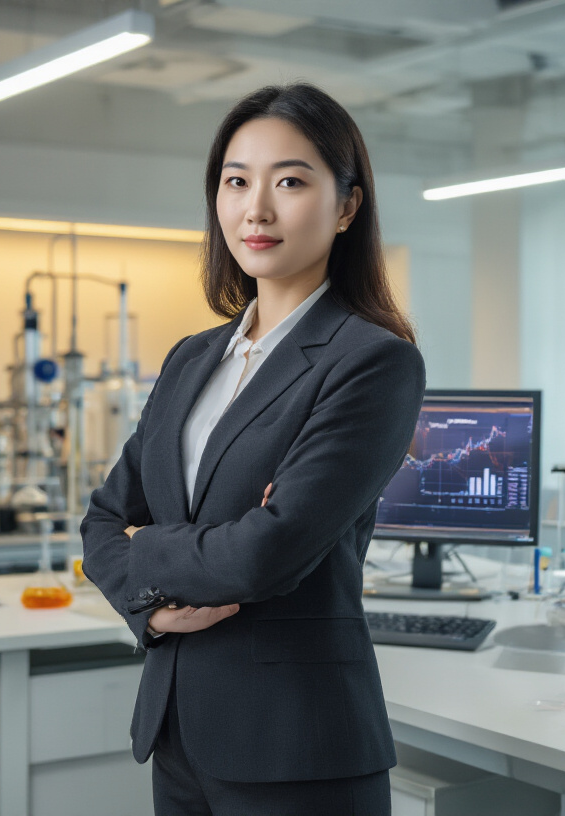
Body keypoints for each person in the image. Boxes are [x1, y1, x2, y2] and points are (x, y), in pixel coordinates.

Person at [80, 83, 426, 816]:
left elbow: (266, 553)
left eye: (290, 182)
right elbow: (104, 518)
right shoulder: (191, 358)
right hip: (178, 733)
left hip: (297, 745)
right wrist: (151, 611)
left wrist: (147, 547)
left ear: (347, 206)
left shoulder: (372, 361)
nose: (256, 210)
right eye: (236, 182)